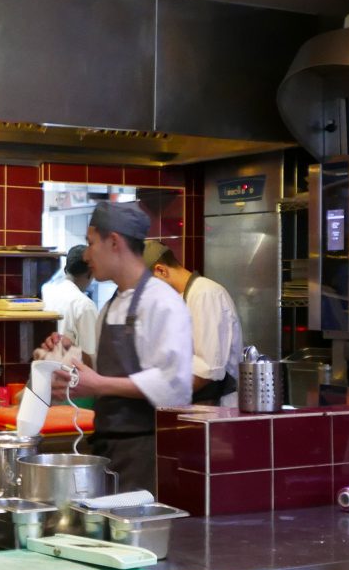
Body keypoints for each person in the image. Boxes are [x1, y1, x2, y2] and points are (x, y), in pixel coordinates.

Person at [38, 201, 193, 493]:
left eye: (90, 243)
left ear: (114, 242)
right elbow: (108, 367)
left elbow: (174, 386)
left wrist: (97, 384)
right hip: (107, 447)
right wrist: (70, 353)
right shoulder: (110, 305)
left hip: (145, 453)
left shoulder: (162, 302)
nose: (85, 254)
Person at [144, 242, 243, 407]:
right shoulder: (177, 299)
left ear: (161, 270)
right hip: (189, 405)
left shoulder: (205, 294)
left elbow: (207, 370)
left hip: (215, 410)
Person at [40, 244, 100, 363]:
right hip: (71, 375)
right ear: (90, 272)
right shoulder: (84, 305)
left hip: (47, 368)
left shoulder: (48, 294)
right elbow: (91, 356)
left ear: (66, 269)